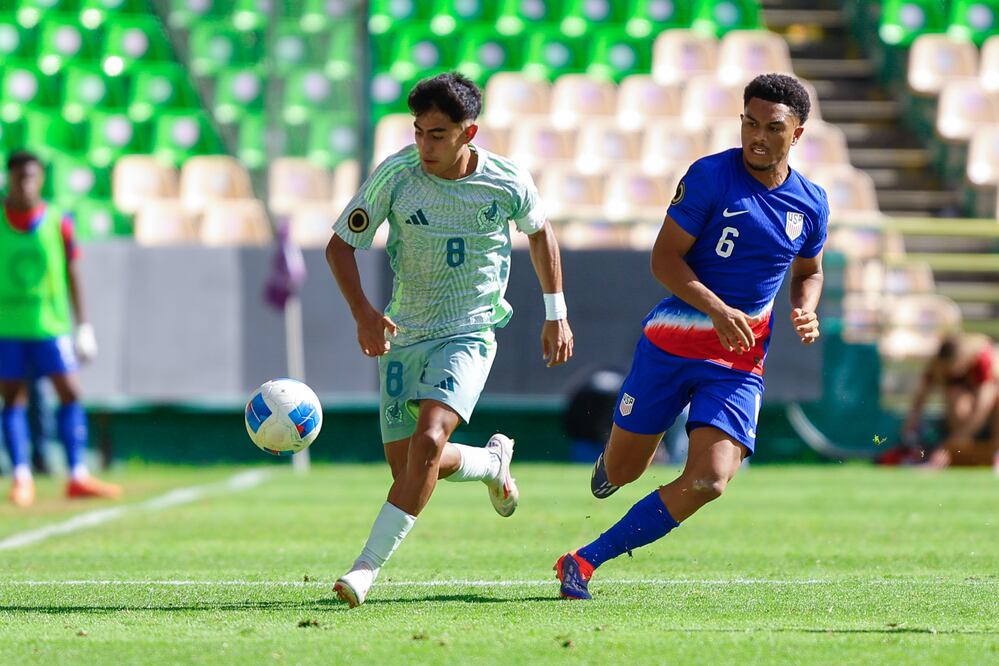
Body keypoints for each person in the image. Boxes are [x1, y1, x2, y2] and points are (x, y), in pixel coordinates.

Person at [554, 73, 828, 599]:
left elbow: (809, 272)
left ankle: (584, 561)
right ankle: (613, 458)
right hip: (672, 342)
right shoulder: (709, 177)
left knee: (710, 479)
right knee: (625, 468)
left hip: (738, 359)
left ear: (796, 135)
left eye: (772, 128)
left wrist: (805, 309)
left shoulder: (811, 202)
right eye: (749, 123)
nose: (757, 137)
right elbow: (664, 258)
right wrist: (718, 308)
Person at [325, 72, 574, 607]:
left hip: (469, 331)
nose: (424, 145)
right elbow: (340, 246)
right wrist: (364, 314)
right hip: (402, 334)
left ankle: (365, 569)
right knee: (410, 467)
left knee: (430, 442)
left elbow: (540, 232)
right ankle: (489, 464)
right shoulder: (396, 174)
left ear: (469, 133)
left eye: (437, 134)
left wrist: (556, 313)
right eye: (418, 132)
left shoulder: (506, 180)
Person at [0, 150, 121, 507]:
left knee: (70, 392)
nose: (26, 184)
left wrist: (83, 325)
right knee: (13, 400)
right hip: (9, 327)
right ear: (9, 178)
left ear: (41, 180)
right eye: (20, 177)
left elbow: (72, 273)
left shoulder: (57, 221)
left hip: (51, 327)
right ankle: (21, 476)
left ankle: (77, 474)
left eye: (32, 177)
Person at [901, 333, 999, 468]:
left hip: (990, 407)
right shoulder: (938, 363)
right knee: (955, 396)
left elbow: (983, 404)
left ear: (963, 360)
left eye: (953, 368)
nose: (950, 371)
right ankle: (960, 452)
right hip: (965, 412)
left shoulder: (982, 358)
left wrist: (957, 439)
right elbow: (920, 396)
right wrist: (910, 423)